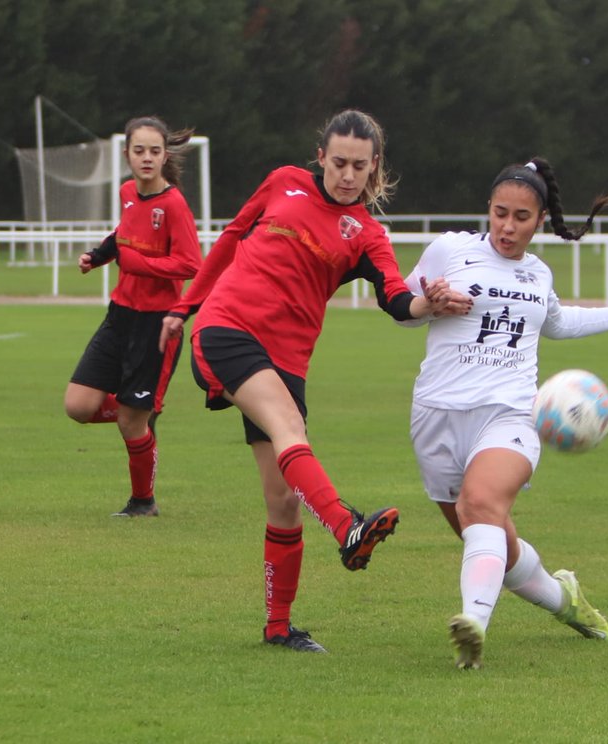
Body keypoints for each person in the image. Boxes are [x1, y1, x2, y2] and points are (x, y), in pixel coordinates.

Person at [160, 109, 470, 653]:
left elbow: (397, 299)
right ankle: (347, 527)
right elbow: (231, 239)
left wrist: (430, 303)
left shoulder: (368, 235)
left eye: (359, 166)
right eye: (339, 162)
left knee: (283, 499)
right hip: (227, 328)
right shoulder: (283, 182)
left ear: (374, 166)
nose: (347, 175)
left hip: (288, 361)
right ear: (321, 157)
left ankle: (278, 628)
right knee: (289, 430)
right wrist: (185, 306)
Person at [400, 157, 608, 669]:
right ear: (488, 209)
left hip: (511, 414)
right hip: (436, 416)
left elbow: (556, 322)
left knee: (481, 506)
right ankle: (567, 602)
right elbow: (400, 307)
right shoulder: (450, 249)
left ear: (540, 221)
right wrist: (430, 304)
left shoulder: (538, 272)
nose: (508, 227)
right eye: (500, 213)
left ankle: (473, 624)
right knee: (496, 542)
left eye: (521, 217)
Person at [64, 116, 202, 517]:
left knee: (130, 424)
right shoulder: (127, 192)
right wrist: (98, 256)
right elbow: (122, 234)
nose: (147, 158)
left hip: (156, 326)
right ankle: (142, 409)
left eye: (154, 151)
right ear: (127, 155)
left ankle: (143, 501)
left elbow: (191, 264)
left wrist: (139, 264)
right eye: (139, 150)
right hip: (119, 317)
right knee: (78, 406)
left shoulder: (173, 205)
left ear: (164, 157)